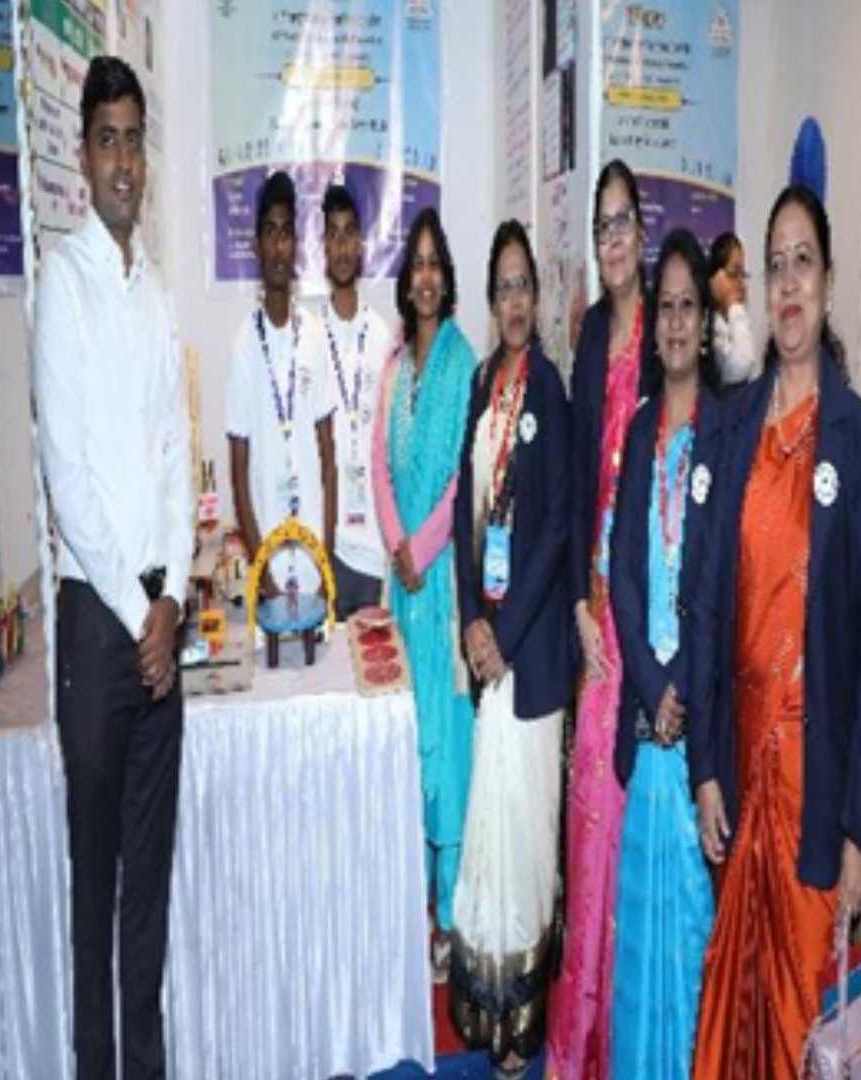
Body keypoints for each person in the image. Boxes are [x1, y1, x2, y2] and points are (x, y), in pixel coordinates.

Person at [688, 185, 861, 1079]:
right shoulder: (733, 427)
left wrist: (860, 832)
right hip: (741, 781)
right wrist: (704, 767)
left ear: (829, 281)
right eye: (773, 264)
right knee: (732, 1012)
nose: (786, 282)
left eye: (802, 260)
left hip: (815, 795)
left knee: (795, 1027)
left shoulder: (856, 436)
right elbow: (705, 609)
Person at [34, 55, 193, 1080]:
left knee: (149, 910)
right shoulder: (65, 283)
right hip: (101, 636)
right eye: (108, 141)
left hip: (156, 633)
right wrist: (144, 614)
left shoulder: (157, 292)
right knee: (96, 899)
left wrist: (173, 597)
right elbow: (69, 478)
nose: (124, 160)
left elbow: (176, 456)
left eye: (135, 139)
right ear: (83, 157)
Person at [451, 221, 573, 1080]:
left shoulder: (549, 390)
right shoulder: (481, 386)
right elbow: (467, 513)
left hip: (528, 661)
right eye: (503, 287)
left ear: (537, 294)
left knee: (527, 844)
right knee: (486, 838)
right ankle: (489, 1008)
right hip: (487, 648)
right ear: (491, 302)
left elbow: (558, 530)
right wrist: (470, 621)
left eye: (524, 283)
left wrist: (506, 635)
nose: (515, 300)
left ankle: (523, 1029)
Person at [545, 158, 656, 1080]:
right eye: (601, 227)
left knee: (638, 823)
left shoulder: (670, 331)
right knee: (589, 821)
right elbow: (582, 476)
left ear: (643, 233)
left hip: (650, 612)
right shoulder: (587, 339)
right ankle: (581, 1041)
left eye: (623, 223)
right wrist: (581, 602)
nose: (612, 240)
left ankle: (630, 1038)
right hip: (597, 619)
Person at [608, 228, 723, 1080]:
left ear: (706, 326)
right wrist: (652, 685)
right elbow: (620, 571)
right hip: (649, 720)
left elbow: (726, 579)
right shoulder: (641, 427)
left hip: (703, 724)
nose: (678, 323)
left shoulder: (729, 431)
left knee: (693, 928)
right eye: (668, 308)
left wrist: (684, 684)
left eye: (690, 307)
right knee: (645, 924)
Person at [372, 206, 477, 978]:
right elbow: (377, 465)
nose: (428, 276)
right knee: (403, 748)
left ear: (448, 278)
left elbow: (466, 475)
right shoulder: (392, 364)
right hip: (400, 586)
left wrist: (424, 547)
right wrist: (395, 542)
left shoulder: (466, 364)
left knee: (447, 752)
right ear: (406, 280)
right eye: (418, 263)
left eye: (438, 263)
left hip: (443, 589)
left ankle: (449, 915)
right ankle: (410, 911)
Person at [226, 171, 336, 603]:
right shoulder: (242, 346)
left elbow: (328, 460)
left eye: (286, 233)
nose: (278, 246)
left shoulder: (314, 335)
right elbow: (238, 473)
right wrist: (261, 571)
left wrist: (326, 559)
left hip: (313, 562)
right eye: (269, 232)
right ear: (256, 245)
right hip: (268, 568)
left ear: (296, 246)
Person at [317, 183, 394, 619]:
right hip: (326, 544)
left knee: (372, 658)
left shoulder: (382, 335)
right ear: (324, 247)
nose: (343, 245)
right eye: (334, 233)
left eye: (349, 233)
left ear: (362, 244)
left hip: (373, 548)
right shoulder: (310, 335)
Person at [709, 230, 758, 387]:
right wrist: (732, 303)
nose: (741, 284)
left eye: (743, 275)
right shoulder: (710, 327)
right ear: (716, 279)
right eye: (734, 274)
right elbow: (741, 365)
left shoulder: (733, 321)